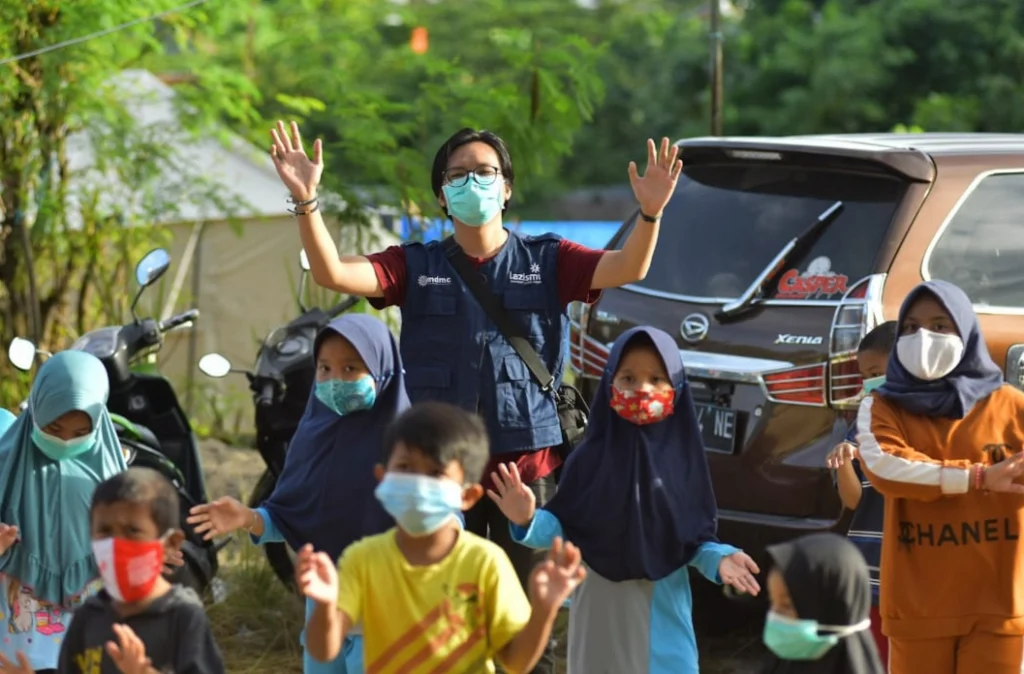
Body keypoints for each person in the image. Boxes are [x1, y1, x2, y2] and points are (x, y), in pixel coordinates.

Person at [269, 120, 681, 673]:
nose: (472, 183)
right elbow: (334, 272)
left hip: (526, 471)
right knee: (445, 615)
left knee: (526, 614)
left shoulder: (549, 259)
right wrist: (306, 202)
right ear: (442, 194)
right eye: (458, 175)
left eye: (485, 172)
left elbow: (629, 266)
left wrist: (650, 214)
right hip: (441, 476)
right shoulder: (416, 266)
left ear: (507, 187)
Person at [489, 326, 761, 674]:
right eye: (628, 378)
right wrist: (527, 519)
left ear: (676, 388)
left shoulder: (683, 465)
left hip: (661, 621)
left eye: (657, 379)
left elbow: (694, 541)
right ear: (608, 381)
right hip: (599, 615)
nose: (642, 390)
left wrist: (720, 560)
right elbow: (563, 529)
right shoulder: (587, 460)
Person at [187, 313, 409, 674]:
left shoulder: (409, 449)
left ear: (383, 370)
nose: (335, 380)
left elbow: (441, 523)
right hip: (324, 609)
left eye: (351, 368)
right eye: (324, 368)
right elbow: (293, 516)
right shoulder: (313, 436)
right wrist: (249, 518)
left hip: (385, 612)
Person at [299, 401, 586, 674]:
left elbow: (515, 661)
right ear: (381, 476)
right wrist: (323, 605)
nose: (419, 483)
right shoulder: (361, 560)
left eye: (436, 472)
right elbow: (324, 652)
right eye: (406, 468)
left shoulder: (485, 563)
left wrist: (543, 610)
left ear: (468, 494)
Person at [856, 279, 1024, 674]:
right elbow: (885, 466)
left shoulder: (1012, 406)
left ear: (966, 332)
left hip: (1001, 607)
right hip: (920, 609)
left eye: (939, 326)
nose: (923, 338)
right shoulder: (882, 406)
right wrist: (979, 477)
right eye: (911, 328)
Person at [0, 467, 226, 674]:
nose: (116, 544)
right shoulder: (90, 614)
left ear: (170, 544)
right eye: (105, 530)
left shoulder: (183, 616)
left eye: (132, 530)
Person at [0, 351, 127, 673]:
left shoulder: (113, 475)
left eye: (80, 432)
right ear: (37, 410)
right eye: (53, 429)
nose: (66, 441)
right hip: (16, 609)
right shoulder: (5, 464)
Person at [825, 320, 897, 665]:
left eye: (877, 371)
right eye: (865, 374)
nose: (870, 382)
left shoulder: (931, 421)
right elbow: (852, 500)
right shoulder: (864, 422)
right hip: (870, 571)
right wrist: (845, 458)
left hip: (911, 571)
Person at [761, 532, 884, 674]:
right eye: (771, 601)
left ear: (831, 607)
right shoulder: (779, 666)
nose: (774, 616)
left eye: (787, 605)